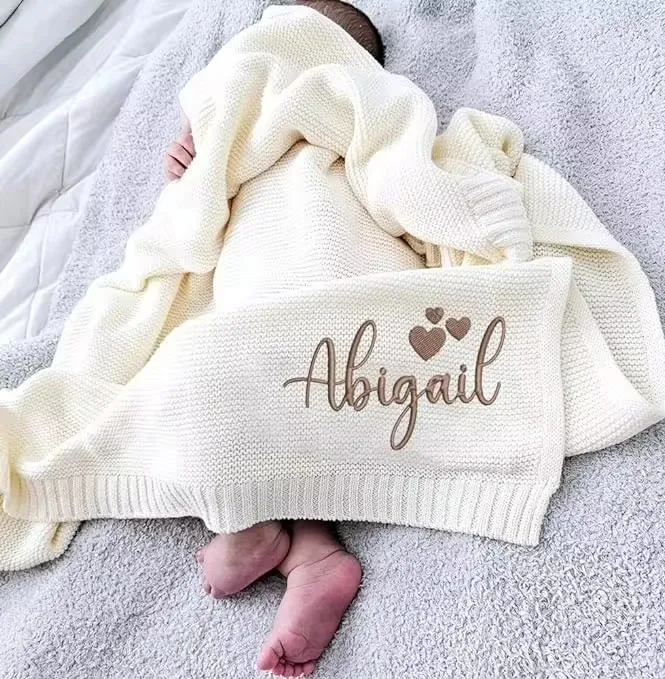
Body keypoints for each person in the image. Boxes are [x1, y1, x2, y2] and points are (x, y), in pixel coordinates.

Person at [163, 2, 385, 676]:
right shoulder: (233, 100)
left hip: (319, 227)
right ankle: (312, 551)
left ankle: (248, 518)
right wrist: (198, 155)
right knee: (276, 365)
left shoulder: (350, 92)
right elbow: (204, 182)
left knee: (219, 359)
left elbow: (391, 146)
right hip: (291, 257)